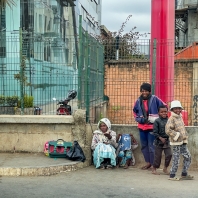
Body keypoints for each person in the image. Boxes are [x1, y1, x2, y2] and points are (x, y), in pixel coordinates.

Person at [133, 82, 166, 170]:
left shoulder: (155, 99)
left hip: (152, 127)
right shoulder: (138, 101)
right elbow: (134, 112)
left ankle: (153, 164)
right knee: (144, 146)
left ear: (149, 91)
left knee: (152, 146)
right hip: (141, 127)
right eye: (143, 91)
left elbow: (164, 107)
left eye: (146, 91)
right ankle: (148, 163)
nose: (144, 92)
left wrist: (158, 118)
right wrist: (140, 120)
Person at [165, 100, 194, 181]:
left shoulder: (180, 116)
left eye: (179, 108)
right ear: (172, 110)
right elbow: (167, 130)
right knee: (176, 159)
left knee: (188, 157)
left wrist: (184, 136)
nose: (177, 110)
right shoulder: (171, 118)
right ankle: (172, 175)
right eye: (175, 109)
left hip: (183, 141)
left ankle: (184, 174)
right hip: (176, 142)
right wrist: (177, 135)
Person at [152, 105, 172, 175]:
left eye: (165, 112)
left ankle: (165, 168)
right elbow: (155, 132)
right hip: (158, 141)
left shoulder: (169, 120)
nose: (164, 113)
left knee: (169, 155)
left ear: (167, 112)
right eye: (162, 112)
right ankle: (154, 168)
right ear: (158, 113)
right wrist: (160, 138)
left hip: (167, 141)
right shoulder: (157, 121)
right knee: (158, 156)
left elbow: (171, 130)